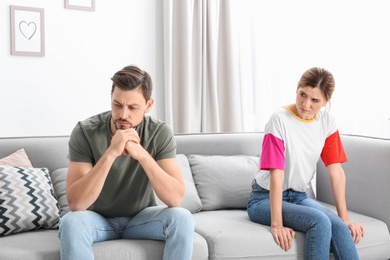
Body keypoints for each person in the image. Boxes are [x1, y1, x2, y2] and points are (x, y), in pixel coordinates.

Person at [58, 65, 194, 260]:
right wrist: (111, 153)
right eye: (117, 104)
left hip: (142, 219)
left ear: (148, 105)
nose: (122, 114)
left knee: (182, 218)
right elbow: (77, 203)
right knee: (71, 222)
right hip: (97, 220)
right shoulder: (85, 131)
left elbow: (175, 199)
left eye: (132, 107)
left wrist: (143, 156)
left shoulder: (159, 132)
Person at [247, 67, 365, 259]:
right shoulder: (279, 119)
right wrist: (277, 224)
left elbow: (336, 172)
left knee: (339, 226)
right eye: (302, 94)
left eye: (315, 100)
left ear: (326, 102)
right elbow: (277, 174)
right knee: (320, 221)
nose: (305, 104)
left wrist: (345, 219)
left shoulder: (328, 123)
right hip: (263, 198)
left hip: (299, 196)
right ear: (297, 88)